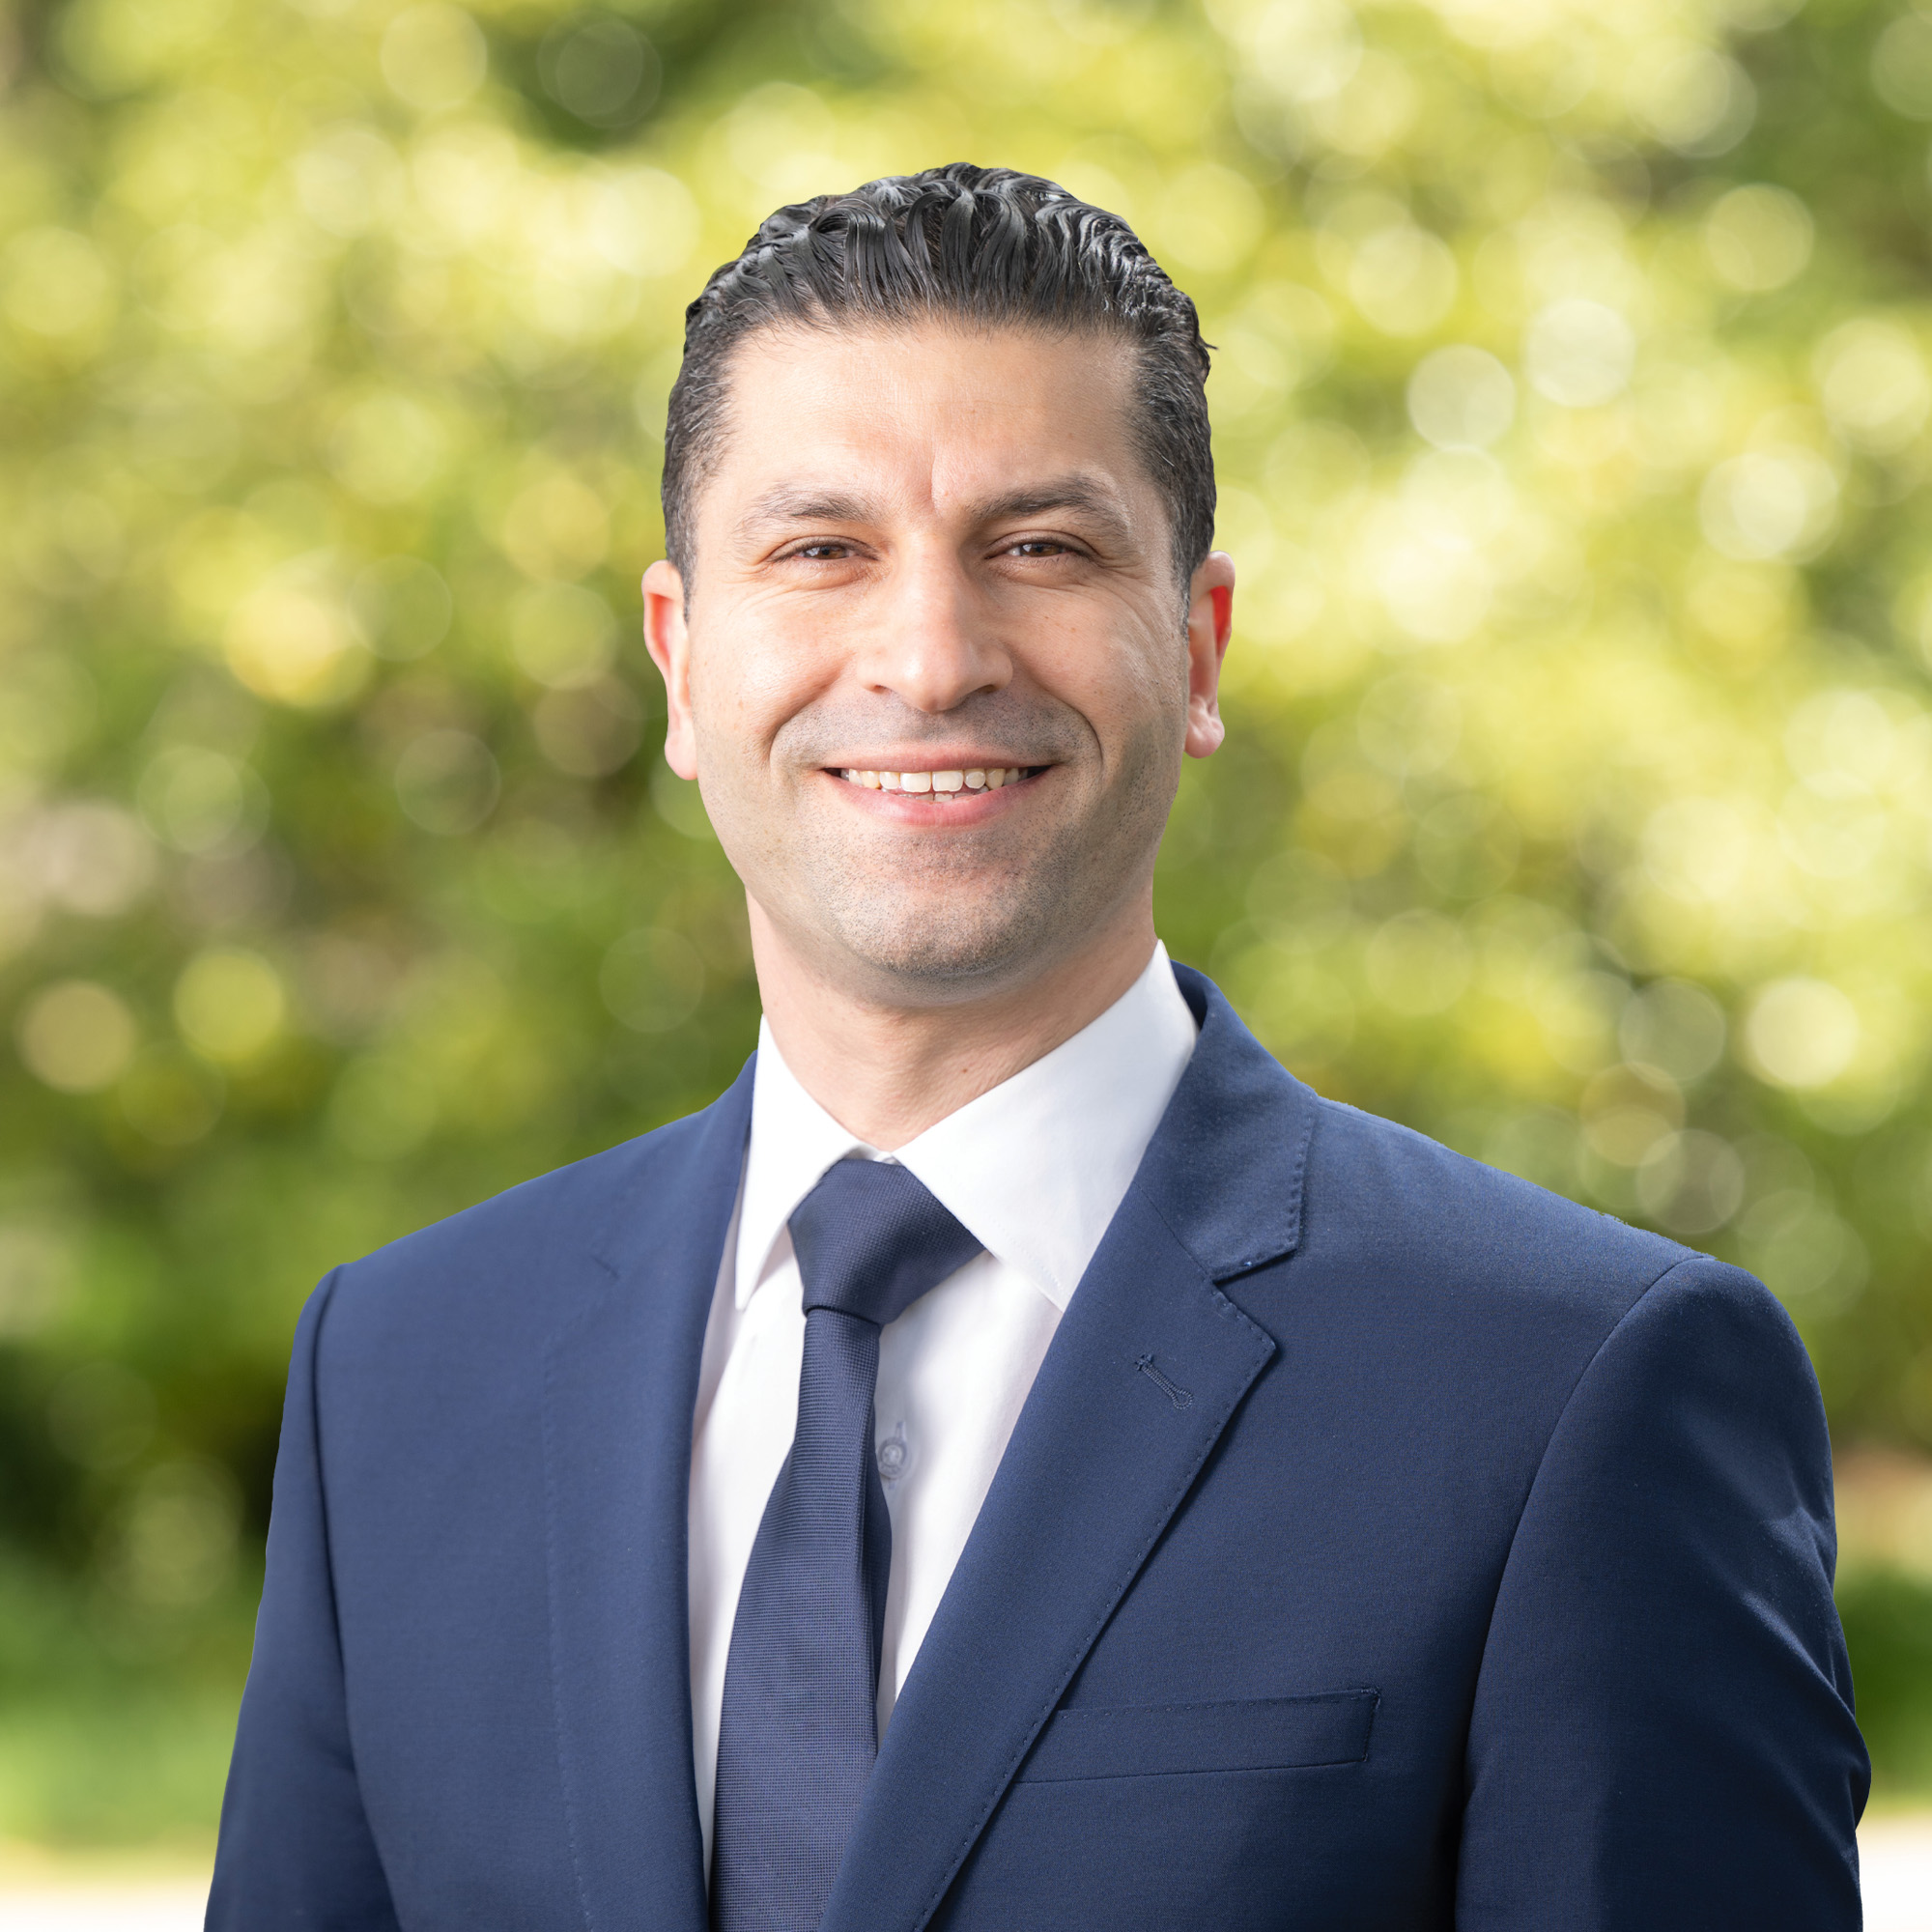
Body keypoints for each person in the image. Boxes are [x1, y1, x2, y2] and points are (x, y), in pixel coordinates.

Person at [206, 163, 1866, 1931]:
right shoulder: (399, 1374)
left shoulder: (1573, 1387)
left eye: (1042, 549)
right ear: (681, 665)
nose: (930, 659)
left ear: (1198, 649)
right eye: (822, 550)